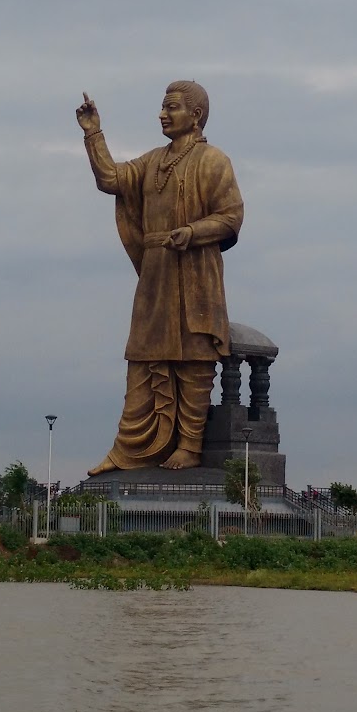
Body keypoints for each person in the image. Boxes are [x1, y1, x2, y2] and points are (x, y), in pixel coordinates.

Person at [76, 82, 243, 473]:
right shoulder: (152, 162)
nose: (163, 114)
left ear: (196, 114)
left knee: (195, 358)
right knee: (143, 358)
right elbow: (111, 180)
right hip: (156, 275)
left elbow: (231, 216)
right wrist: (93, 133)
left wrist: (194, 232)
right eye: (162, 107)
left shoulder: (213, 161)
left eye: (172, 107)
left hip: (196, 271)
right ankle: (129, 450)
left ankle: (188, 445)